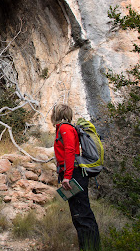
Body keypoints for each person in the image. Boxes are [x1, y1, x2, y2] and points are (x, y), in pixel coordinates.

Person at [51, 104, 100, 250]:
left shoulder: (65, 128)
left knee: (82, 214)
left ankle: (91, 247)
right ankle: (87, 246)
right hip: (73, 173)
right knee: (79, 214)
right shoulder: (63, 128)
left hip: (74, 175)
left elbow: (70, 151)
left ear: (57, 114)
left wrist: (67, 176)